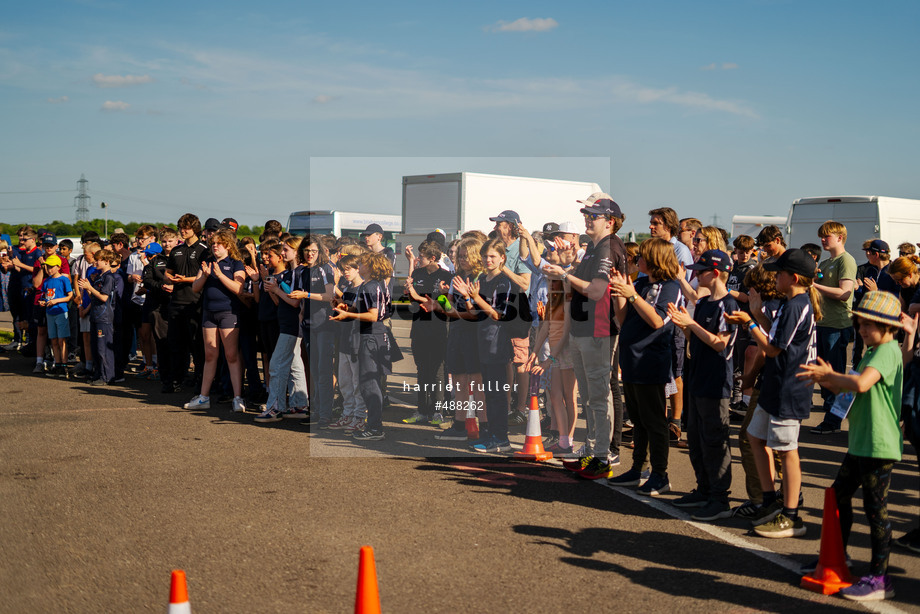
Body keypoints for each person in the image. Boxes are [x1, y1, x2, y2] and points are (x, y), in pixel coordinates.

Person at [797, 291, 904, 601]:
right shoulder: (872, 351)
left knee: (876, 511)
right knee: (839, 494)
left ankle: (879, 579)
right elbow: (850, 386)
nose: (862, 330)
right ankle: (837, 557)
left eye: (869, 325)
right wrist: (823, 379)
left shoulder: (887, 350)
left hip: (878, 444)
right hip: (862, 440)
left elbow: (860, 384)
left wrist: (830, 375)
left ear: (888, 327)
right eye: (860, 324)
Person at [725, 248, 821, 538]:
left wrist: (750, 323)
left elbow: (772, 348)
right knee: (755, 436)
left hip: (789, 387)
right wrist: (755, 315)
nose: (774, 277)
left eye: (779, 273)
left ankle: (791, 515)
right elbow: (776, 336)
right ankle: (768, 501)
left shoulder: (796, 305)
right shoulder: (791, 302)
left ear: (793, 278)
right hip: (776, 383)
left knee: (786, 450)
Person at [544, 194, 626, 477]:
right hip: (583, 330)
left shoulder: (608, 247)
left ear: (610, 221)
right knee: (590, 397)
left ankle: (602, 456)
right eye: (586, 215)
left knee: (597, 396)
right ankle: (593, 450)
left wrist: (565, 275)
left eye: (594, 215)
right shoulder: (594, 247)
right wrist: (567, 268)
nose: (588, 219)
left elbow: (596, 291)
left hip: (598, 330)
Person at [667, 250, 738, 520]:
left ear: (716, 273)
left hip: (715, 381)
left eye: (702, 270)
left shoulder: (728, 305)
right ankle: (704, 488)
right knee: (695, 439)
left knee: (714, 440)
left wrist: (690, 325)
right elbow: (697, 337)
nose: (696, 274)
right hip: (697, 377)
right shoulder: (706, 302)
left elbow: (720, 343)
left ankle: (720, 498)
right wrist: (684, 324)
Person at [608, 238, 681, 496]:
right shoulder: (638, 282)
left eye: (641, 255)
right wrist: (619, 292)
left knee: (654, 421)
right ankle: (638, 469)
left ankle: (660, 474)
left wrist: (633, 295)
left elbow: (658, 321)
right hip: (631, 358)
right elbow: (623, 317)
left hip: (652, 360)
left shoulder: (671, 286)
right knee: (638, 419)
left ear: (654, 259)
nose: (636, 259)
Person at [452, 239, 515, 452]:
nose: (488, 260)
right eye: (485, 256)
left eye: (493, 257)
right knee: (489, 393)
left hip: (497, 343)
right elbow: (474, 314)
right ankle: (490, 435)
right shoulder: (484, 280)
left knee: (496, 394)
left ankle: (501, 438)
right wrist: (468, 298)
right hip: (483, 341)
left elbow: (498, 314)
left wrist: (476, 298)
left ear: (502, 258)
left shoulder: (504, 282)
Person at [330, 252, 399, 441]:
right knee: (366, 383)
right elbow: (364, 310)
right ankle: (372, 424)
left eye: (363, 263)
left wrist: (349, 315)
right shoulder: (371, 285)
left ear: (371, 266)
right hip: (369, 335)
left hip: (371, 336)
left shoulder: (370, 285)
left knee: (369, 384)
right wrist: (346, 309)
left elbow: (373, 315)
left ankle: (374, 426)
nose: (360, 265)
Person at [183, 229, 247, 412]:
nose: (214, 246)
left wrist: (219, 275)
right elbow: (195, 288)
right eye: (213, 243)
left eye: (218, 243)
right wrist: (204, 275)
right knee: (210, 355)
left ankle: (237, 397)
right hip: (209, 313)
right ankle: (203, 397)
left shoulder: (236, 263)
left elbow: (238, 289)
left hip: (228, 313)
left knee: (231, 356)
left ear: (227, 245)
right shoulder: (208, 263)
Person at [255, 236, 309, 423]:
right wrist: (273, 289)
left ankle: (275, 408)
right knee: (295, 366)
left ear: (296, 252)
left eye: (286, 250)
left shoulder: (301, 272)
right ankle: (299, 405)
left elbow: (295, 302)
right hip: (286, 324)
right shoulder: (290, 274)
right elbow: (281, 302)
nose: (282, 253)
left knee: (277, 366)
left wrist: (277, 290)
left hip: (293, 326)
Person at [811, 221, 858, 435]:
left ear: (840, 237)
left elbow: (845, 293)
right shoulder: (827, 260)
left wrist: (814, 285)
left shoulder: (846, 260)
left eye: (827, 236)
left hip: (837, 325)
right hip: (823, 324)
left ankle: (834, 420)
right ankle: (831, 417)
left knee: (835, 375)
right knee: (826, 374)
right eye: (821, 236)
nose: (822, 239)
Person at [402, 240, 453, 425]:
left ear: (432, 258)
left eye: (421, 257)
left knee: (438, 371)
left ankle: (437, 410)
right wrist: (409, 290)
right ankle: (422, 409)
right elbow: (413, 301)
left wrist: (434, 295)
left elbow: (444, 304)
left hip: (439, 329)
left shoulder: (446, 276)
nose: (418, 259)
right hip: (419, 329)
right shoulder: (417, 273)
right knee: (422, 370)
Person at [290, 234, 336, 427]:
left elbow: (329, 295)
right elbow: (298, 302)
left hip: (324, 326)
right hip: (308, 326)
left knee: (323, 371)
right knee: (315, 372)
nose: (310, 254)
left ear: (320, 252)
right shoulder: (301, 271)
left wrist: (306, 294)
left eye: (314, 251)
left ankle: (325, 414)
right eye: (307, 251)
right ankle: (316, 411)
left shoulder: (325, 268)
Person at [165, 214, 208, 393]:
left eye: (187, 228)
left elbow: (206, 275)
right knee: (176, 344)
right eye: (181, 228)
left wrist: (185, 279)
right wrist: (171, 278)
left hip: (195, 302)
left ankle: (199, 380)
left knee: (196, 345)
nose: (183, 231)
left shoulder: (204, 249)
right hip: (176, 302)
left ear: (195, 229)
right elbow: (168, 272)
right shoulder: (176, 250)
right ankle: (176, 380)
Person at [327, 255, 367, 434]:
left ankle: (359, 416)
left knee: (357, 381)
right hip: (344, 337)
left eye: (348, 269)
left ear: (358, 268)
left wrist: (347, 310)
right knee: (344, 380)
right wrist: (338, 305)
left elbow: (366, 313)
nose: (345, 273)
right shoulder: (348, 287)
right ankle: (348, 413)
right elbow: (348, 307)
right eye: (343, 270)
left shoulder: (366, 287)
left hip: (358, 339)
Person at [78, 249, 121, 386]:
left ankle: (107, 376)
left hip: (104, 317)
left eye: (98, 260)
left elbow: (103, 297)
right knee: (95, 347)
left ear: (107, 262)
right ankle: (98, 374)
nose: (95, 262)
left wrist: (90, 287)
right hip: (95, 315)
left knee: (103, 349)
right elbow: (94, 297)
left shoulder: (109, 277)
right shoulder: (99, 276)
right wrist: (88, 289)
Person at [39, 254, 73, 377]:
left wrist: (56, 301)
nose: (49, 269)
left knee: (61, 340)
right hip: (50, 312)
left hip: (61, 311)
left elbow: (70, 296)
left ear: (58, 267)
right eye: (47, 267)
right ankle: (57, 364)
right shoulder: (47, 280)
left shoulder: (63, 279)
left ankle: (64, 366)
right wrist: (43, 302)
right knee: (53, 339)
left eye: (52, 267)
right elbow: (45, 296)